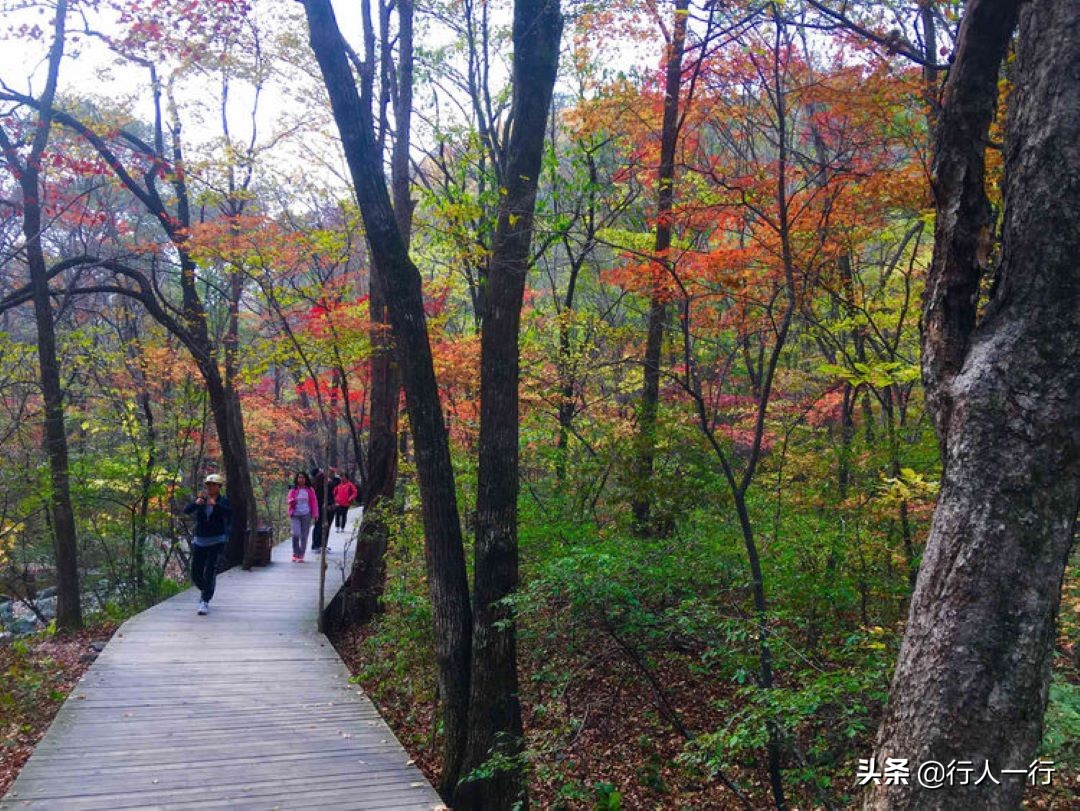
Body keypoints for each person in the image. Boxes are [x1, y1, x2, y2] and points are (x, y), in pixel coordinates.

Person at [183, 474, 232, 615]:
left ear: (219, 487)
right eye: (208, 485)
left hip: (217, 540)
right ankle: (206, 590)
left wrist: (215, 506)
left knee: (210, 569)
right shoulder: (202, 499)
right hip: (200, 540)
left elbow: (229, 514)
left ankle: (204, 601)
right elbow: (187, 510)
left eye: (213, 485)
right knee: (196, 573)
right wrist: (195, 503)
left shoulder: (224, 500)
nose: (210, 487)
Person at [287, 471, 319, 562]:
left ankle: (301, 555)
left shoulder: (309, 490)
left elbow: (314, 502)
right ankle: (295, 553)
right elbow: (289, 499)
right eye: (299, 477)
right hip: (295, 514)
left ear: (306, 479)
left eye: (303, 477)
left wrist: (315, 514)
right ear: (297, 479)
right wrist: (293, 500)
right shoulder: (293, 489)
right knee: (295, 533)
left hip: (306, 514)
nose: (301, 479)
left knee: (304, 536)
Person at [309, 466, 327, 552]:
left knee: (319, 525)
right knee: (319, 525)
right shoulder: (319, 479)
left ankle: (317, 544)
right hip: (319, 505)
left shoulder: (315, 482)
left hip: (318, 505)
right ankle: (316, 544)